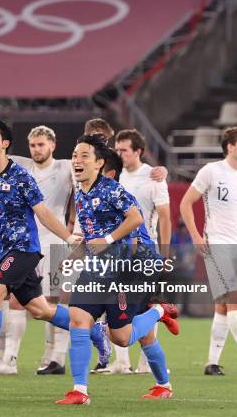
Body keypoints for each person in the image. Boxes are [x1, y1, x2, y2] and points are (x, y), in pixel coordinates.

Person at [0, 117, 102, 385]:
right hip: (5, 253)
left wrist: (69, 236)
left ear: (4, 144)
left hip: (25, 249)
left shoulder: (21, 176)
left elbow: (43, 213)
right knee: (40, 309)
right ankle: (94, 330)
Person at [56, 135, 174, 405]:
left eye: (84, 155)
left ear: (99, 163)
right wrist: (73, 255)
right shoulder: (82, 194)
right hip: (104, 265)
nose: (77, 160)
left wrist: (109, 242)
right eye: (75, 155)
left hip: (135, 264)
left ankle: (160, 311)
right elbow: (92, 237)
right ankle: (80, 391)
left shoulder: (111, 189)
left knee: (122, 337)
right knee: (78, 316)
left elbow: (136, 218)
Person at [180, 127, 237, 376]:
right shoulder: (211, 171)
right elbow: (186, 203)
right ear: (230, 147)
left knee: (222, 306)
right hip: (216, 243)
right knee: (235, 299)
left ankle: (211, 363)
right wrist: (197, 236)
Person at [0, 125, 75, 376]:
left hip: (56, 240)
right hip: (28, 243)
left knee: (55, 299)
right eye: (33, 145)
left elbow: (93, 177)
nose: (37, 149)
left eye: (41, 144)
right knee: (18, 300)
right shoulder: (21, 166)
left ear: (52, 145)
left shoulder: (66, 166)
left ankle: (56, 358)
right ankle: (10, 360)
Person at [108, 129, 172, 375]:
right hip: (118, 251)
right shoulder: (114, 176)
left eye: (125, 149)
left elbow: (165, 217)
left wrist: (166, 254)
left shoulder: (153, 178)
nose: (120, 154)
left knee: (145, 305)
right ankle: (122, 362)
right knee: (117, 301)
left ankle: (146, 361)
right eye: (118, 149)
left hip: (146, 251)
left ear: (138, 152)